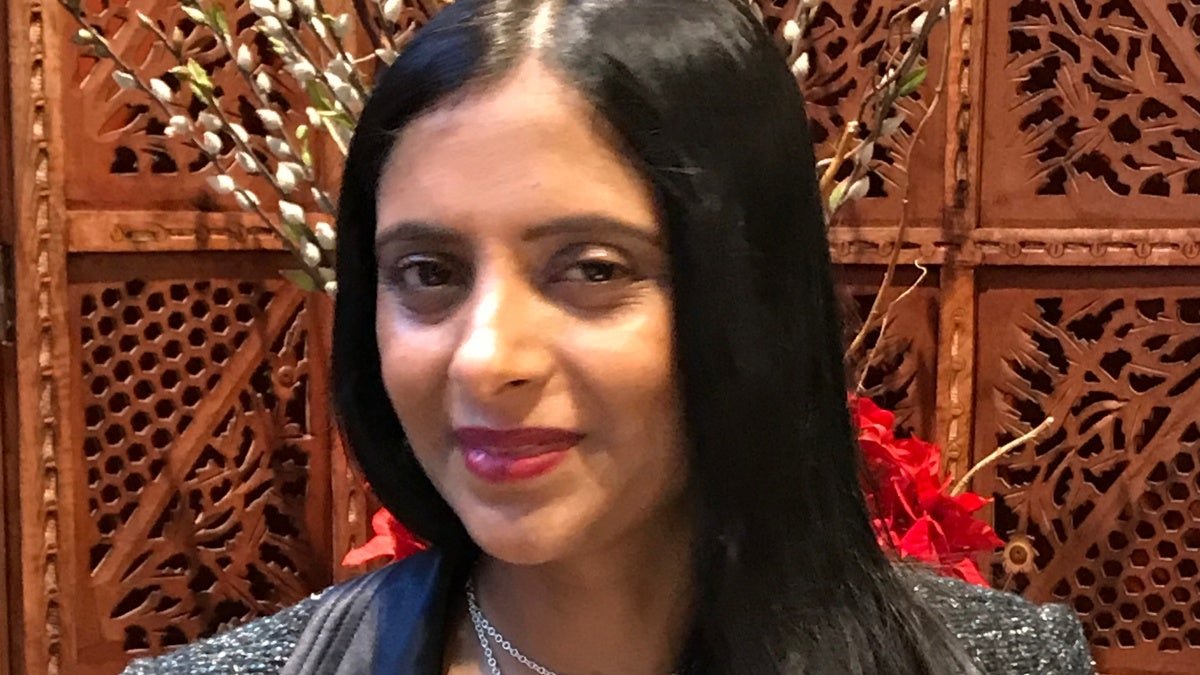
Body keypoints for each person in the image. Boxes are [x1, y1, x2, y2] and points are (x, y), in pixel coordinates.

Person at [124, 1, 1094, 673]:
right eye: (428, 274)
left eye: (591, 270)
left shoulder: (996, 664)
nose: (487, 357)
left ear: (744, 296)